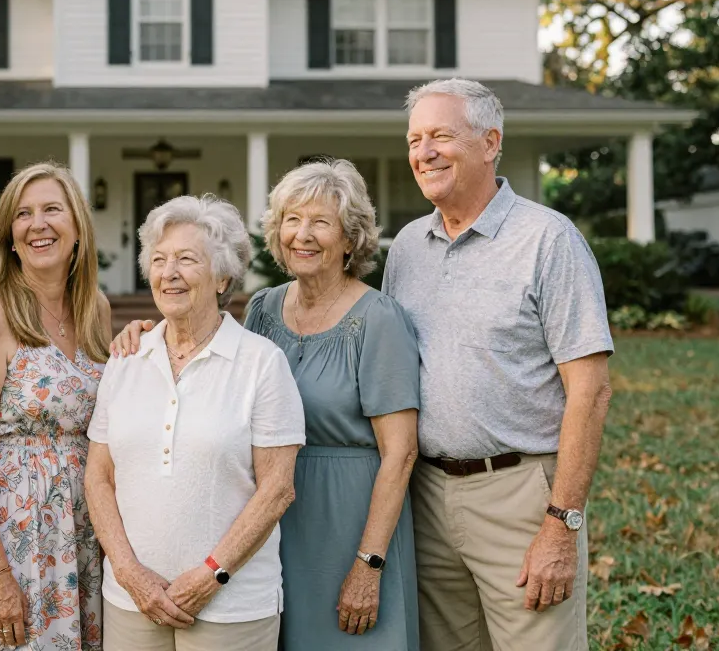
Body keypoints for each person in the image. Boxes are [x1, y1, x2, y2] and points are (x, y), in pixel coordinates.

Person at [383, 78, 614, 651]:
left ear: (490, 143)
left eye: (440, 135)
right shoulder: (407, 248)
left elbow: (590, 391)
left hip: (520, 496)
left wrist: (561, 523)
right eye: (415, 139)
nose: (423, 152)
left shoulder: (548, 239)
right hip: (427, 499)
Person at [86, 195, 305, 651]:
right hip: (130, 603)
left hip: (232, 608)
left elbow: (277, 489)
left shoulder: (262, 364)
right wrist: (128, 573)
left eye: (187, 260)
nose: (169, 273)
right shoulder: (126, 359)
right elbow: (99, 477)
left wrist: (211, 575)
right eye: (160, 260)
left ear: (223, 276)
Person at [247, 159, 420, 649]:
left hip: (353, 524)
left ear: (350, 239)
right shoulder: (261, 309)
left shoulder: (378, 319)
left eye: (321, 222)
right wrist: (147, 332)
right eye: (292, 219)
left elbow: (401, 453)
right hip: (274, 524)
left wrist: (369, 564)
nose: (302, 234)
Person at [0, 162, 111, 651]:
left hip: (85, 530)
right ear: (9, 238)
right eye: (23, 215)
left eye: (52, 210)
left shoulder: (94, 308)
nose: (38, 224)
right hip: (15, 533)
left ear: (77, 228)